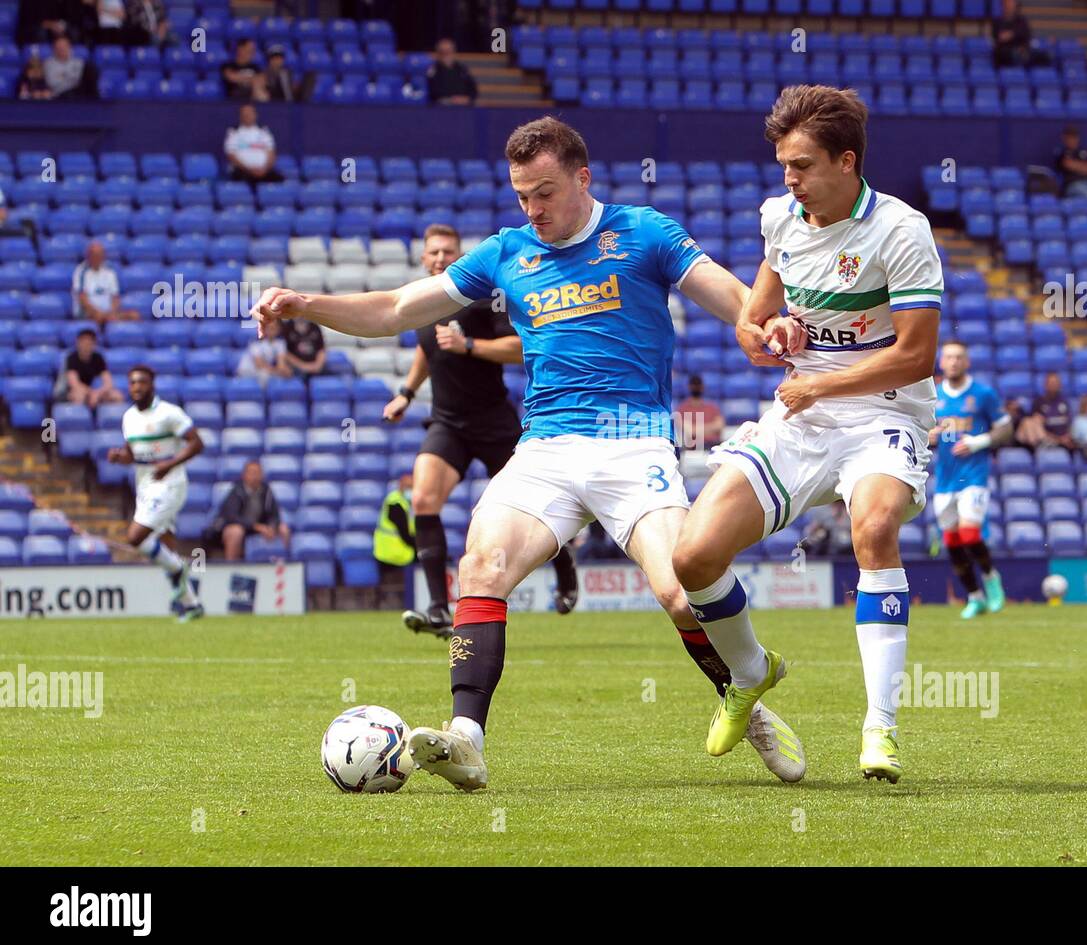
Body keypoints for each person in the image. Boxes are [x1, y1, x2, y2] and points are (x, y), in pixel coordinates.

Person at [252, 115, 809, 790]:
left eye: (544, 192)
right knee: (482, 564)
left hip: (630, 441)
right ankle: (465, 739)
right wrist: (306, 303)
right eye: (521, 195)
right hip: (544, 445)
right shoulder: (507, 251)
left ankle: (746, 703)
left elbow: (731, 297)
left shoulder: (644, 232)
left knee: (677, 590)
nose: (532, 209)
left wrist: (766, 324)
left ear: (582, 177)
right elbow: (399, 307)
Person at [672, 85, 941, 784]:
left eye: (801, 166)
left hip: (885, 413)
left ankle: (880, 729)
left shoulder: (901, 231)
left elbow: (916, 355)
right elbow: (752, 326)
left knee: (875, 527)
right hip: (803, 417)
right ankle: (752, 669)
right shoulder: (781, 220)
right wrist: (774, 332)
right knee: (693, 557)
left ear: (846, 162)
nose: (788, 181)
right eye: (783, 166)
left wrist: (818, 378)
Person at [380, 221, 579, 637]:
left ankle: (565, 567)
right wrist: (405, 392)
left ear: (460, 256)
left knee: (535, 507)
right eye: (433, 252)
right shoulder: (422, 301)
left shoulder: (484, 299)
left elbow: (519, 347)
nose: (440, 259)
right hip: (447, 421)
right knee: (424, 499)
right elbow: (426, 350)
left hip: (493, 421)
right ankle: (436, 606)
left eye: (448, 252)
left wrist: (469, 345)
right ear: (423, 257)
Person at [105, 366, 205, 622]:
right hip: (145, 485)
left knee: (135, 536)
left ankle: (180, 569)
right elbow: (133, 453)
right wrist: (120, 457)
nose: (137, 387)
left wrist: (169, 464)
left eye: (142, 382)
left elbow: (197, 443)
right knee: (167, 543)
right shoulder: (128, 417)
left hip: (170, 483)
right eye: (132, 383)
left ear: (152, 385)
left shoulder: (169, 413)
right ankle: (191, 605)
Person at [929, 341, 1011, 619]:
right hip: (945, 480)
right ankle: (975, 597)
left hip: (974, 475)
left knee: (970, 532)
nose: (953, 362)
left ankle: (991, 579)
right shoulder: (933, 396)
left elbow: (1006, 428)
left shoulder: (983, 394)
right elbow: (926, 432)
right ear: (941, 362)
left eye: (959, 357)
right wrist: (927, 437)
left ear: (967, 362)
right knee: (952, 541)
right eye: (949, 357)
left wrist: (978, 442)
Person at [209, 460, 289, 559]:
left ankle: (284, 565)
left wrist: (272, 527)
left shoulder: (266, 490)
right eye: (251, 473)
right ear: (244, 475)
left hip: (258, 527)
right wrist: (257, 527)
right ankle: (231, 566)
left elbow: (275, 514)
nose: (254, 476)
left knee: (283, 528)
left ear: (262, 475)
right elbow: (232, 517)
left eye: (257, 473)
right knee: (236, 532)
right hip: (237, 528)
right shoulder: (236, 491)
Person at [72, 240, 140, 323]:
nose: (98, 258)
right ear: (88, 256)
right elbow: (82, 299)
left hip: (108, 313)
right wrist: (97, 312)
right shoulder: (81, 271)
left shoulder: (110, 270)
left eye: (100, 255)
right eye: (95, 255)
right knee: (99, 317)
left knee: (134, 315)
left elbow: (115, 297)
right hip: (88, 314)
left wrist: (112, 312)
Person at [62, 327, 123, 407]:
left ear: (94, 344)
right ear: (78, 342)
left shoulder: (98, 358)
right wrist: (91, 393)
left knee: (117, 396)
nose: (86, 346)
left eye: (89, 342)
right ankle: (80, 418)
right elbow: (74, 383)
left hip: (94, 391)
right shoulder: (72, 358)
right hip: (73, 391)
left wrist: (98, 393)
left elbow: (108, 382)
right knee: (79, 396)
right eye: (83, 342)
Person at [224, 104, 283, 184]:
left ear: (255, 115)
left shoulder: (264, 131)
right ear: (240, 116)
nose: (247, 116)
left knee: (280, 180)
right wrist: (249, 170)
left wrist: (265, 169)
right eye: (245, 114)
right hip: (243, 171)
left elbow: (271, 153)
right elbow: (231, 156)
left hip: (264, 170)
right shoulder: (233, 132)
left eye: (250, 114)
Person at [1017, 371, 1073, 449]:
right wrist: (1054, 438)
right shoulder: (1038, 402)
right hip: (1045, 437)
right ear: (1045, 385)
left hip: (1062, 440)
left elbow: (1069, 423)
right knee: (1027, 422)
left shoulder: (1064, 402)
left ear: (1060, 385)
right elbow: (1034, 425)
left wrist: (1066, 437)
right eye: (1051, 383)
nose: (1053, 385)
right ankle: (1044, 442)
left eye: (1055, 383)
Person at [373, 473, 417, 572]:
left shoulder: (409, 503)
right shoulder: (395, 503)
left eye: (413, 487)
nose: (411, 490)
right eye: (408, 487)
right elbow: (405, 534)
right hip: (391, 553)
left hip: (401, 551)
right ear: (401, 487)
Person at [674, 374, 724, 451]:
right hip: (693, 449)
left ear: (702, 387)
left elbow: (719, 426)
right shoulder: (682, 409)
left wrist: (696, 429)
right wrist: (710, 428)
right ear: (689, 387)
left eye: (698, 385)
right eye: (694, 385)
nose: (696, 387)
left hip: (713, 447)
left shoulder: (712, 407)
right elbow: (689, 431)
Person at [991, 0, 1047, 68]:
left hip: (1023, 50)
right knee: (1011, 54)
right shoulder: (997, 22)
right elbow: (999, 38)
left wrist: (1012, 34)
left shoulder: (1021, 20)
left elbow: (1026, 33)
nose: (1009, 5)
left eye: (1012, 3)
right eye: (1007, 3)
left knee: (1045, 56)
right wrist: (1015, 36)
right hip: (1005, 53)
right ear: (1002, 5)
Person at [236, 317, 291, 384]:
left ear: (279, 329)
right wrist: (277, 372)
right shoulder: (255, 342)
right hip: (247, 371)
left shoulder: (280, 343)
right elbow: (259, 364)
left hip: (265, 371)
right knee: (265, 376)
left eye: (274, 328)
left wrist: (284, 370)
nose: (271, 331)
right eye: (269, 328)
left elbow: (281, 363)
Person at [427, 37, 477, 105]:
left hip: (463, 107)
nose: (445, 54)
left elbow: (473, 90)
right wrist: (450, 99)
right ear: (438, 53)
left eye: (448, 51)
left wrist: (466, 98)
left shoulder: (462, 70)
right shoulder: (433, 71)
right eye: (442, 52)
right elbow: (432, 92)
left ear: (453, 52)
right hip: (441, 107)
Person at [221, 37, 266, 101]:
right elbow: (231, 77)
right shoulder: (229, 65)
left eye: (253, 51)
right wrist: (252, 79)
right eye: (249, 50)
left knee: (260, 89)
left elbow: (262, 79)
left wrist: (243, 79)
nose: (252, 53)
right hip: (234, 97)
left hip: (253, 96)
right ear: (240, 49)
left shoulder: (255, 67)